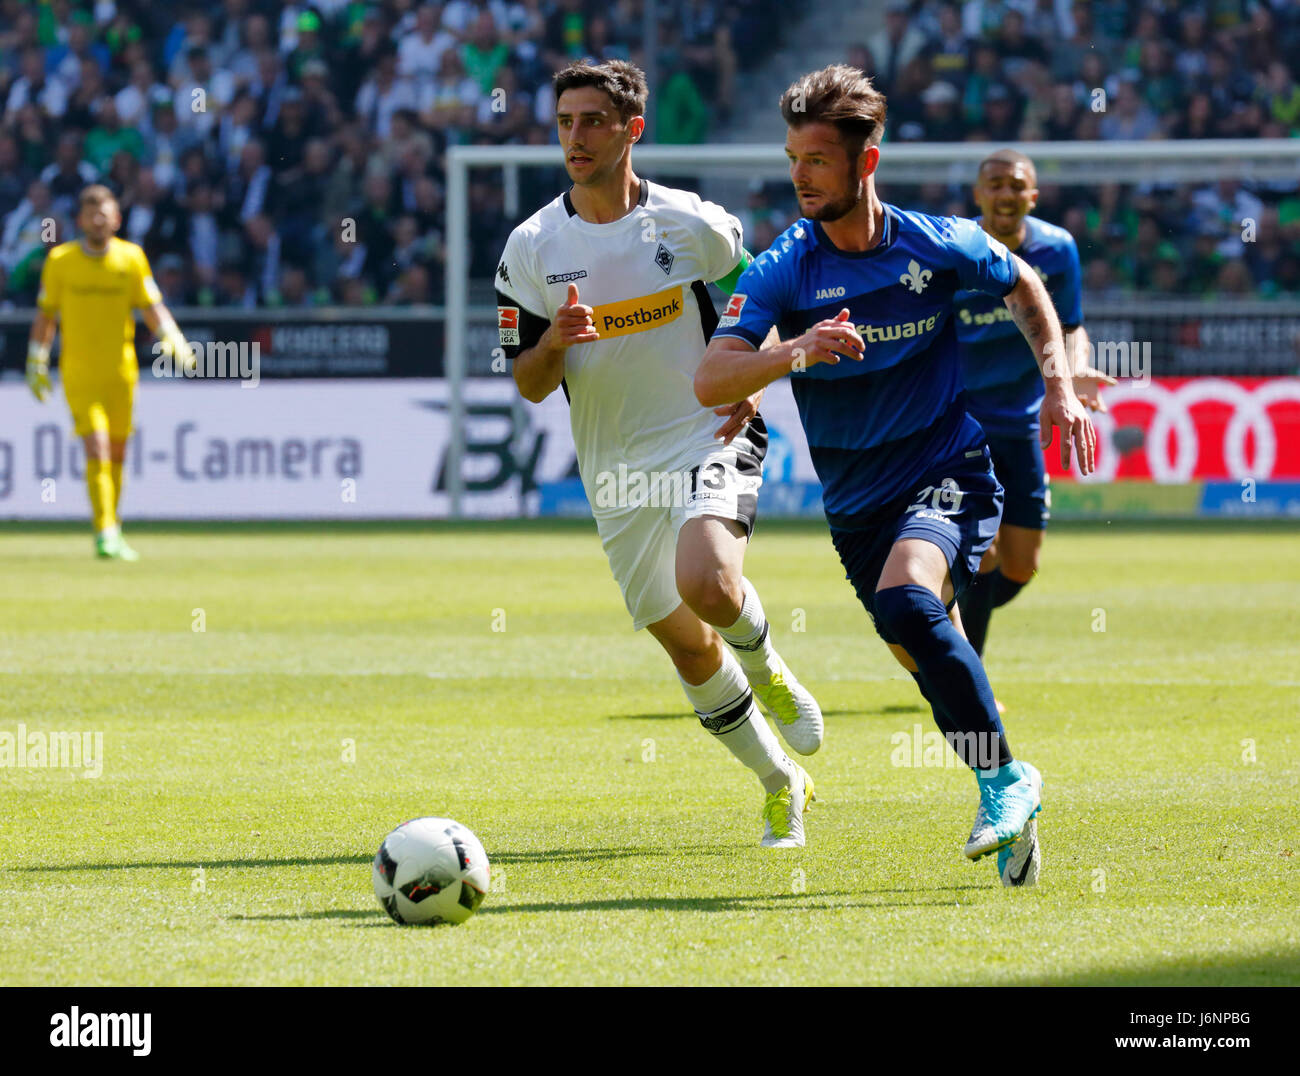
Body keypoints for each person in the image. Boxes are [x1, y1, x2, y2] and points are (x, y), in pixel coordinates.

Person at [696, 65, 1097, 885]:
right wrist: (792, 352)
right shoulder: (785, 267)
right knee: (919, 645)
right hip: (856, 505)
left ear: (864, 163)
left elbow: (1022, 281)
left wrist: (1057, 382)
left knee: (909, 598)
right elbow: (711, 377)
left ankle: (1009, 781)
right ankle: (1002, 786)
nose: (800, 176)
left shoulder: (934, 241)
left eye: (816, 159)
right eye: (793, 158)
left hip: (950, 465)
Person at [495, 60, 822, 848]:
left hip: (708, 429)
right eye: (566, 121)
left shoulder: (693, 224)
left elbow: (762, 309)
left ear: (632, 129)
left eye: (593, 121)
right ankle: (781, 781)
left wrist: (753, 377)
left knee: (709, 583)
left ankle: (771, 667)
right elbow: (529, 384)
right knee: (685, 641)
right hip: (614, 468)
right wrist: (558, 344)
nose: (576, 136)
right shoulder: (531, 247)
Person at [954, 149, 1112, 665]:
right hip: (959, 424)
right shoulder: (953, 248)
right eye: (995, 184)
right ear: (978, 195)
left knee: (1020, 566)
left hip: (1022, 422)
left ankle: (936, 624)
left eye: (1016, 185)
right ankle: (963, 673)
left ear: (1033, 196)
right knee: (983, 553)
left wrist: (1074, 370)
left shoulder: (1057, 248)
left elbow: (1069, 327)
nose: (1005, 193)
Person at [26, 184, 192, 560]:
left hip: (121, 372)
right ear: (81, 220)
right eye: (91, 214)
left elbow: (151, 305)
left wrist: (173, 338)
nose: (98, 220)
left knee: (117, 452)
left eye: (105, 213)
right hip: (79, 372)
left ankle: (112, 525)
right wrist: (36, 360)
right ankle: (104, 530)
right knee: (97, 447)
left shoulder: (131, 259)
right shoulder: (61, 261)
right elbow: (46, 314)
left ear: (117, 219)